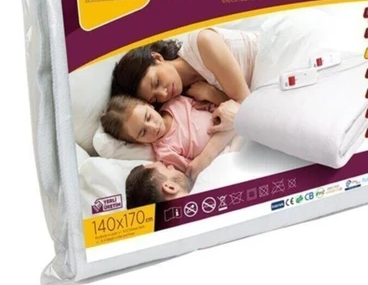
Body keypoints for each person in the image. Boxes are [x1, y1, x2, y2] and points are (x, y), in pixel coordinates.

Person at [111, 27, 258, 132]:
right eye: (155, 98)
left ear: (157, 58)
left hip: (268, 62)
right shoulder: (188, 98)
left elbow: (247, 107)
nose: (164, 94)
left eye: (156, 82)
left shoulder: (203, 43)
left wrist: (213, 94)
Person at [102, 94, 235, 202]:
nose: (153, 127)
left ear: (149, 105)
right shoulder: (164, 152)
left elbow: (209, 105)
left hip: (227, 119)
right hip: (223, 150)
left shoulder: (175, 103)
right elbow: (195, 169)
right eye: (143, 132)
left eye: (148, 117)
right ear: (138, 142)